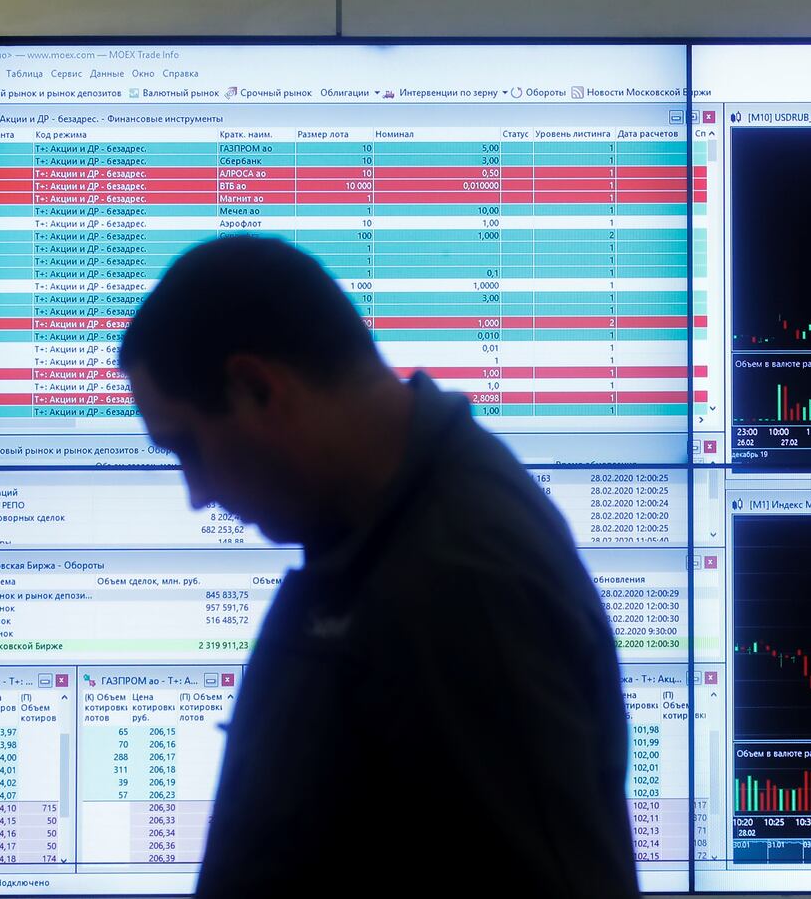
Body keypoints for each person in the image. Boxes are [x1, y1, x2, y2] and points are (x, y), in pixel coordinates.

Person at [118, 235, 640, 897]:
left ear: (256, 387)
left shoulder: (463, 577)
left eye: (186, 447)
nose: (198, 495)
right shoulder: (371, 527)